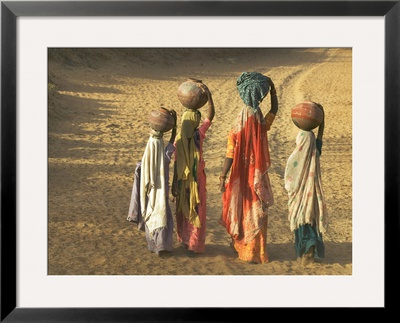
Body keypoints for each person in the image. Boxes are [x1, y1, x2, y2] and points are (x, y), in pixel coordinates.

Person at [219, 71, 278, 264]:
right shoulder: (261, 122)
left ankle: (241, 247)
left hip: (240, 176)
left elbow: (230, 153)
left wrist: (222, 175)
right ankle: (258, 252)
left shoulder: (238, 124)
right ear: (260, 95)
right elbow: (274, 111)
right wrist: (273, 91)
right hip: (257, 176)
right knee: (257, 210)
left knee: (240, 207)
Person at [127, 108, 177, 258]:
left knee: (151, 212)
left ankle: (153, 244)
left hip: (149, 190)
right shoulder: (164, 154)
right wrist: (174, 127)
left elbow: (142, 165)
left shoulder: (149, 152)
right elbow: (171, 144)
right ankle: (162, 246)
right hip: (161, 190)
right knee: (162, 214)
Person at [172, 82, 215, 257]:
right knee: (197, 209)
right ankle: (194, 245)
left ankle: (184, 241)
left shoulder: (178, 141)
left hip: (182, 181)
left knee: (183, 209)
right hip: (198, 179)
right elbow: (211, 116)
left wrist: (174, 184)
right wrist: (209, 95)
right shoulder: (199, 135)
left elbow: (176, 165)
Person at [284, 103, 328, 267]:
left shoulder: (296, 156)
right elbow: (319, 139)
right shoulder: (315, 151)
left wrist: (290, 187)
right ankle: (312, 248)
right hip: (312, 194)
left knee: (301, 221)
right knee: (311, 220)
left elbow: (290, 176)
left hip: (300, 196)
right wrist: (322, 121)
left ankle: (306, 249)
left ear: (300, 142)